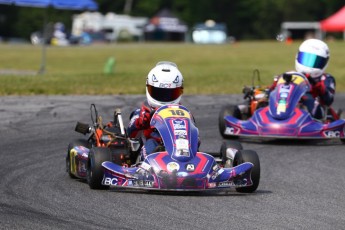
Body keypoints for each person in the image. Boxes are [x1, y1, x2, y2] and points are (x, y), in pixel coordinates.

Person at [127, 61, 184, 161]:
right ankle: (152, 165)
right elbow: (130, 133)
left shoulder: (183, 112)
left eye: (170, 94)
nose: (164, 98)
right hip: (154, 150)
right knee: (150, 144)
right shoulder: (143, 112)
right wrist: (140, 123)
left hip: (179, 147)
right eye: (159, 93)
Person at [269, 38, 335, 120]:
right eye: (306, 59)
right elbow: (271, 90)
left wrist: (317, 86)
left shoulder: (326, 79)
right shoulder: (289, 75)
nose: (309, 65)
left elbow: (328, 99)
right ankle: (272, 116)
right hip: (289, 104)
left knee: (309, 99)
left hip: (316, 113)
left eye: (315, 61)